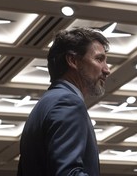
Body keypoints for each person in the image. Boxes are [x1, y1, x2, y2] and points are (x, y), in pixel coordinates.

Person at [17, 27, 110, 176]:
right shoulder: (68, 103)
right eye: (99, 59)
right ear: (73, 60)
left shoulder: (44, 105)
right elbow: (68, 173)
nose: (107, 70)